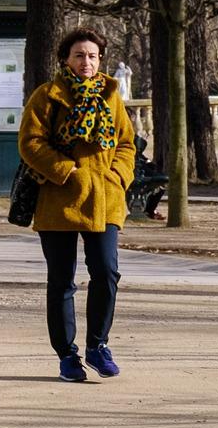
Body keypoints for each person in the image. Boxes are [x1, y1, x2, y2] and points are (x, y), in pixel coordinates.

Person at [18, 25, 136, 383]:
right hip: (59, 199)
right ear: (66, 59)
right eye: (80, 55)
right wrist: (67, 171)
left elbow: (127, 144)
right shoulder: (47, 95)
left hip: (105, 198)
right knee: (62, 281)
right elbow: (30, 142)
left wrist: (117, 176)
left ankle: (98, 346)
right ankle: (67, 356)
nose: (87, 62)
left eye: (93, 56)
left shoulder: (111, 95)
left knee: (106, 272)